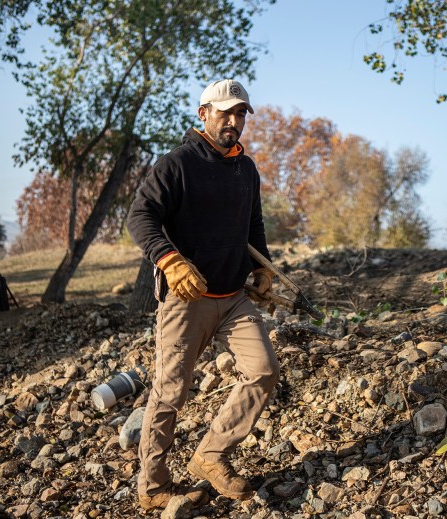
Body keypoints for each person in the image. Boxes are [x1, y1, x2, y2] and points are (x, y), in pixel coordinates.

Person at [126, 79, 280, 511]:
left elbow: (253, 227)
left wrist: (262, 269)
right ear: (203, 114)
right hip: (185, 300)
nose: (234, 122)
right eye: (225, 113)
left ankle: (210, 456)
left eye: (241, 114)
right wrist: (170, 261)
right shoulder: (176, 165)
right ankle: (153, 487)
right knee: (171, 391)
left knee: (264, 371)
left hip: (233, 297)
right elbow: (140, 216)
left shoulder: (245, 169)